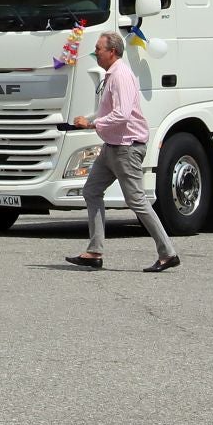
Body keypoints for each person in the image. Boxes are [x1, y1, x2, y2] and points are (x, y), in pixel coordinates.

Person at [65, 32, 181, 272]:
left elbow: (122, 114)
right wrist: (88, 119)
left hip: (126, 147)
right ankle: (94, 252)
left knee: (136, 201)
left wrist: (92, 124)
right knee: (92, 191)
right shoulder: (112, 75)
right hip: (112, 147)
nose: (95, 52)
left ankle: (168, 253)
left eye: (98, 48)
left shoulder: (121, 76)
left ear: (112, 52)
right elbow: (110, 110)